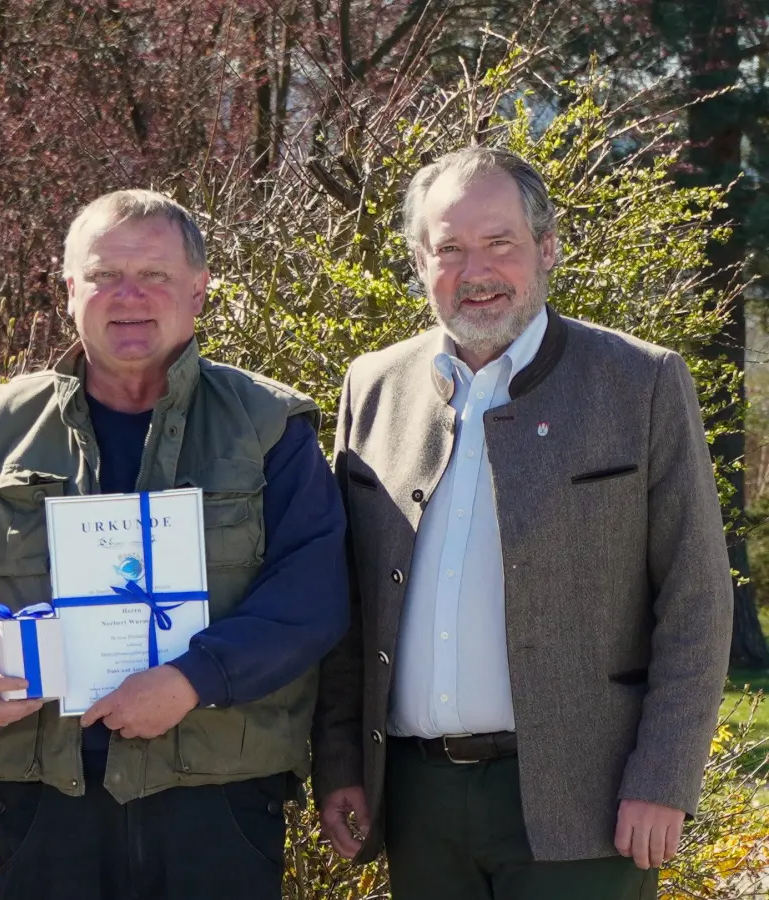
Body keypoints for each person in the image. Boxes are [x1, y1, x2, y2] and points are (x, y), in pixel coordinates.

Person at [311, 146, 734, 900]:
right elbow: (346, 604)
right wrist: (343, 761)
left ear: (547, 247)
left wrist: (663, 779)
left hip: (591, 804)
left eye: (499, 242)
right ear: (420, 261)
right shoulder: (372, 386)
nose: (476, 271)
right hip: (417, 801)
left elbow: (697, 599)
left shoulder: (639, 381)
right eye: (449, 248)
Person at [0, 190, 349, 900]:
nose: (129, 296)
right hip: (49, 807)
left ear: (199, 290)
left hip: (218, 806)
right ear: (68, 290)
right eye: (105, 275)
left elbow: (312, 597)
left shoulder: (267, 426)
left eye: (154, 275)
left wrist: (191, 680)